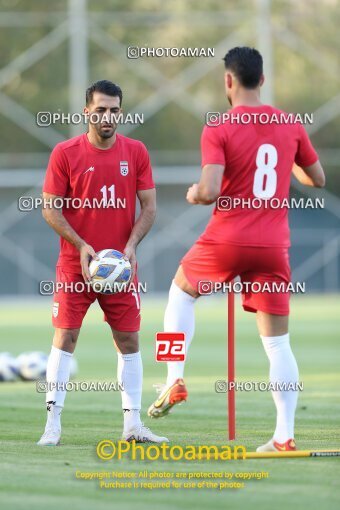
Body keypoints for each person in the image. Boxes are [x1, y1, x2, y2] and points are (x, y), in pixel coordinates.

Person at [148, 47, 325, 452]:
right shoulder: (290, 124)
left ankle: (174, 376)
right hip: (273, 245)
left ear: (228, 81)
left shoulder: (218, 127)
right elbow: (316, 178)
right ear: (262, 80)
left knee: (180, 293)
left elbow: (209, 190)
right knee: (278, 344)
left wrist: (194, 193)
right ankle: (284, 436)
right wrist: (286, 161)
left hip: (226, 240)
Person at [38, 80, 168, 446]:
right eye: (100, 110)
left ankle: (132, 426)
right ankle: (52, 424)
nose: (107, 116)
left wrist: (130, 246)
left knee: (128, 340)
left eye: (114, 110)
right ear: (87, 112)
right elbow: (50, 207)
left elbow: (150, 207)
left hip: (120, 268)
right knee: (65, 336)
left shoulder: (136, 152)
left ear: (120, 112)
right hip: (75, 265)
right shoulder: (65, 153)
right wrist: (80, 245)